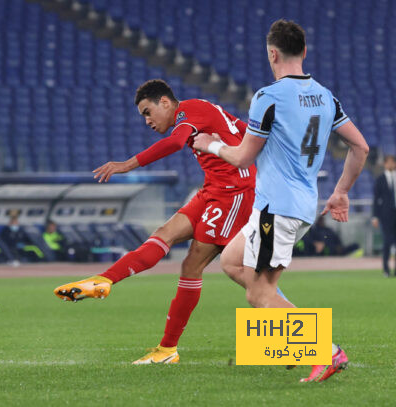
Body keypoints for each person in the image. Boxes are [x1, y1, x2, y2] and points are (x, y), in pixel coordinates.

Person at [193, 19, 369, 382]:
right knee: (230, 260)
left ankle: (325, 351)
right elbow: (361, 147)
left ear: (272, 53)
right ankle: (293, 339)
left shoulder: (267, 97)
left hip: (277, 208)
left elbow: (242, 158)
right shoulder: (325, 95)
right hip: (298, 205)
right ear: (304, 52)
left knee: (258, 296)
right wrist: (341, 192)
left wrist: (209, 144)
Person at [54, 79, 270, 365]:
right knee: (164, 233)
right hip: (213, 190)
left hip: (234, 194)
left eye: (147, 112)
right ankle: (104, 280)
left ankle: (169, 349)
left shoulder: (189, 113)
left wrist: (126, 164)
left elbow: (177, 141)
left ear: (165, 103)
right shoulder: (205, 110)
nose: (146, 121)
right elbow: (246, 131)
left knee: (197, 265)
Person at [371, 154, 396, 277]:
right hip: (386, 215)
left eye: (393, 162)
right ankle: (386, 269)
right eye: (389, 162)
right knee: (387, 242)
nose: (391, 165)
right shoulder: (380, 179)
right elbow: (376, 199)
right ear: (385, 164)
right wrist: (375, 216)